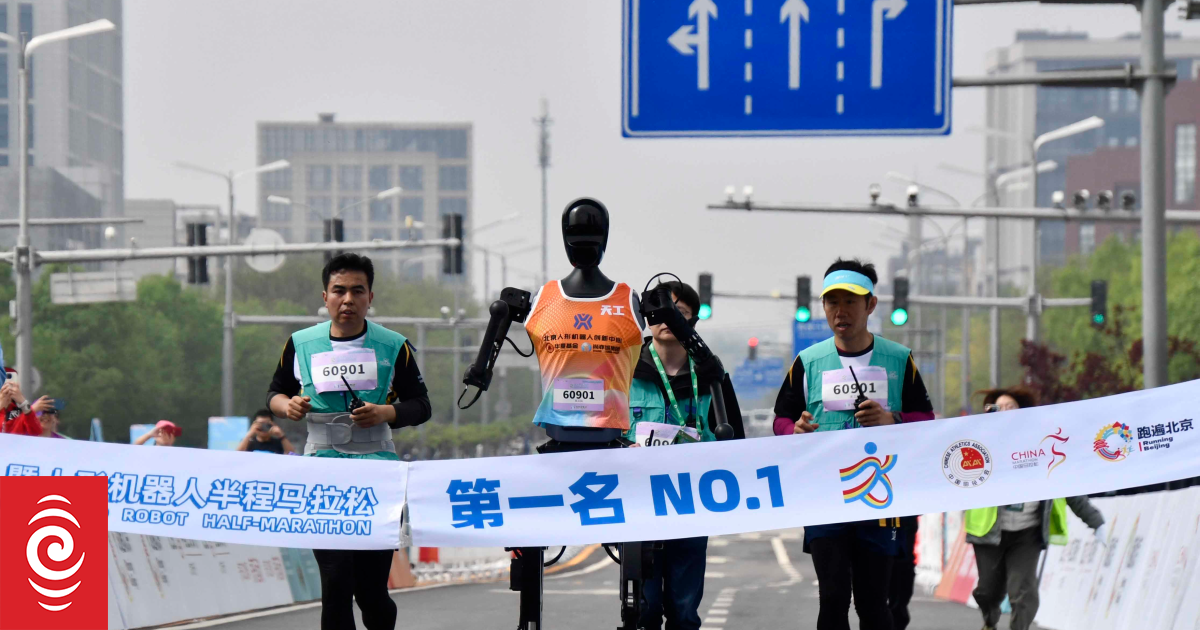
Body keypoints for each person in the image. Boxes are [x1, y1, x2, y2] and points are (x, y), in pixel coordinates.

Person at [266, 252, 431, 630]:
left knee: (370, 591)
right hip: (322, 474)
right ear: (324, 296)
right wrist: (287, 405)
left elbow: (421, 406)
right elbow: (274, 394)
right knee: (336, 583)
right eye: (339, 291)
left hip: (377, 474)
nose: (348, 300)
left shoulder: (394, 345)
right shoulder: (300, 344)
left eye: (358, 291)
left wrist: (385, 413)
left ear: (370, 297)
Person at [772, 259, 935, 630]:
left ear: (871, 305)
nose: (840, 312)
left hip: (880, 496)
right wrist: (794, 429)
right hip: (824, 495)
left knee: (874, 603)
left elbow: (926, 421)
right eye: (832, 302)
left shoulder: (899, 359)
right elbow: (780, 420)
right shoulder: (808, 362)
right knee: (832, 598)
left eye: (850, 302)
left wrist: (891, 420)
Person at [624, 280, 745, 630]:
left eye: (678, 311)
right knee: (642, 609)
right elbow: (604, 433)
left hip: (692, 504)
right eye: (659, 310)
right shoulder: (625, 368)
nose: (667, 318)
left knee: (684, 610)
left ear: (691, 320)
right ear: (647, 317)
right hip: (638, 503)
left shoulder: (710, 375)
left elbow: (733, 439)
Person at [966, 387, 1106, 630]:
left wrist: (1096, 521)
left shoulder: (1044, 447)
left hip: (1027, 533)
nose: (1006, 411)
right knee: (987, 592)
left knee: (1023, 591)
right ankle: (990, 619)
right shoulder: (978, 446)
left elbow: (1069, 489)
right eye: (1000, 407)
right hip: (988, 532)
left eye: (1012, 407)